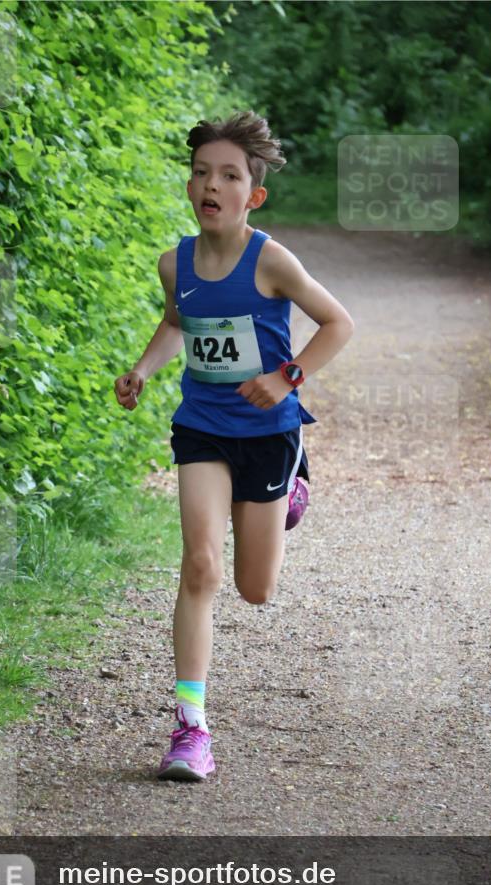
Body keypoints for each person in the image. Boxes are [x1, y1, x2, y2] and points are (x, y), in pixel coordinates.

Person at [114, 110, 354, 781]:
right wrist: (142, 369)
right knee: (200, 567)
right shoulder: (175, 265)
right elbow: (175, 323)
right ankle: (190, 730)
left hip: (269, 434)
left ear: (253, 195)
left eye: (228, 175)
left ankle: (291, 487)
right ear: (189, 187)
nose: (209, 184)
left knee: (254, 588)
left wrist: (286, 377)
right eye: (199, 173)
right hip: (202, 429)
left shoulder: (270, 260)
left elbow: (338, 323)